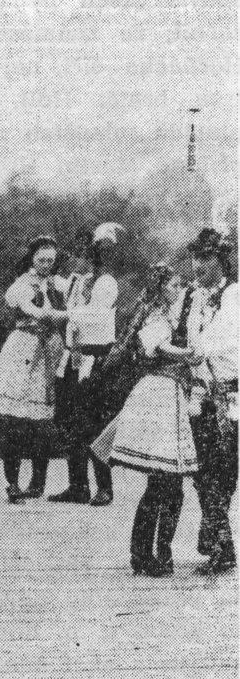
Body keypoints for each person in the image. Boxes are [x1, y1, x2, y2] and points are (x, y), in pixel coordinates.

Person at [91, 264, 197, 576]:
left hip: (170, 395)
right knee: (164, 480)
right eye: (174, 284)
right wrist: (191, 352)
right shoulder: (153, 316)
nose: (178, 289)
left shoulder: (170, 316)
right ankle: (149, 554)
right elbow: (160, 347)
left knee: (168, 483)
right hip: (157, 396)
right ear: (161, 287)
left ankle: (154, 552)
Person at [0, 236, 68, 503]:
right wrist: (68, 313)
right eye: (41, 259)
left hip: (48, 351)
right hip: (23, 349)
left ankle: (37, 482)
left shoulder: (59, 283)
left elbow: (77, 297)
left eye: (50, 261)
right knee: (14, 419)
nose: (45, 265)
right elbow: (35, 312)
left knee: (41, 421)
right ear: (31, 258)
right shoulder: (21, 285)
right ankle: (12, 483)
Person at [49, 225, 119, 506]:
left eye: (83, 255)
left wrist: (63, 314)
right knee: (68, 421)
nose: (77, 261)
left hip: (94, 358)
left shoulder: (106, 283)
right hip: (73, 357)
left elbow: (96, 314)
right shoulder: (79, 281)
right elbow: (57, 284)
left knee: (93, 422)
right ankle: (78, 485)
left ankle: (105, 486)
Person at [181, 229, 238, 574]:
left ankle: (213, 528)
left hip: (232, 395)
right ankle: (223, 543)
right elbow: (189, 337)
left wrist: (191, 352)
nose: (198, 265)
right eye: (195, 258)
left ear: (222, 261)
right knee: (205, 471)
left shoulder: (234, 295)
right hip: (201, 395)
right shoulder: (195, 297)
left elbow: (224, 339)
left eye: (205, 258)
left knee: (227, 473)